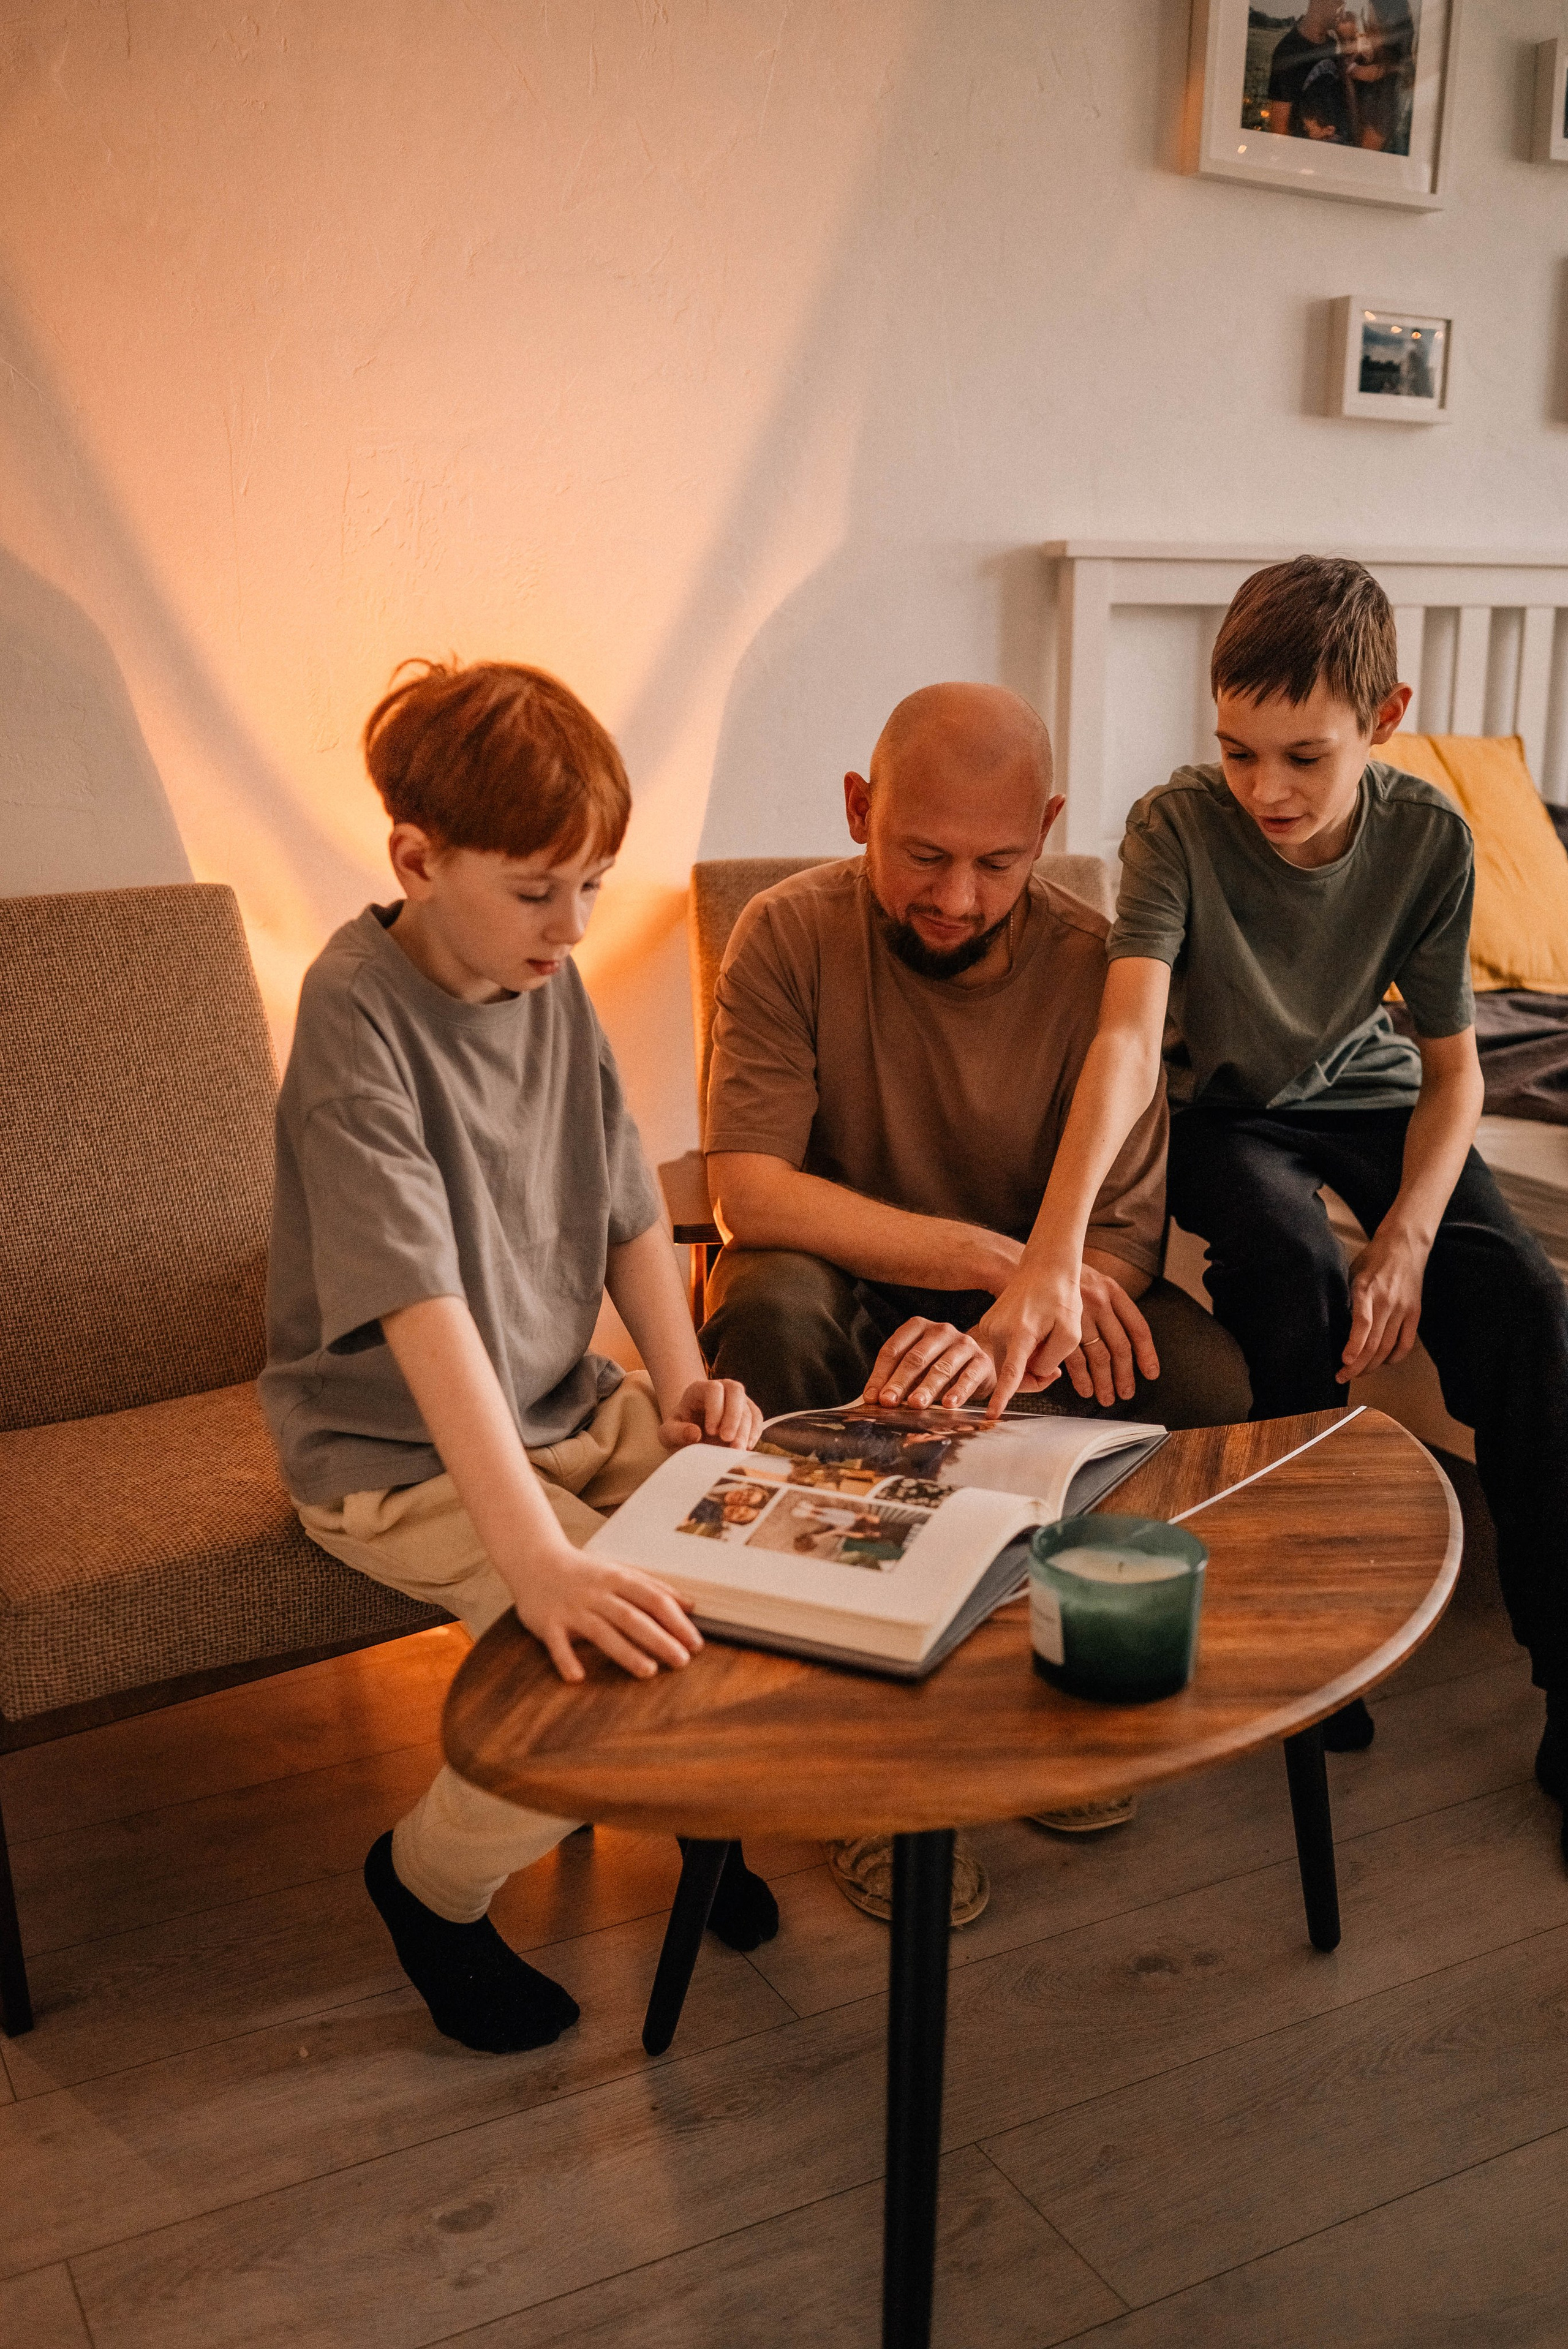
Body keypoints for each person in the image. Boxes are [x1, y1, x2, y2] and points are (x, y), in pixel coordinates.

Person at [974, 557, 1568, 1857]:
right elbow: (1128, 1046)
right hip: (1219, 1108)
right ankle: (1304, 1639)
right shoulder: (1173, 826)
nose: (1265, 791)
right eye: (1237, 752)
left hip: (1367, 1089)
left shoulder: (1427, 839)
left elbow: (1453, 1070)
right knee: (1290, 1277)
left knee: (1524, 1306)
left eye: (1301, 755)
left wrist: (1407, 1239)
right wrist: (1052, 1249)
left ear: (1384, 715)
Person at [260, 658, 774, 2054]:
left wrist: (679, 1385)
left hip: (565, 1399)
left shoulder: (542, 978)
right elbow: (420, 1306)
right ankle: (425, 1882)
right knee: (588, 1660)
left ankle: (695, 1803)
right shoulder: (355, 1012)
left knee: (758, 1541)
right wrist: (540, 1558)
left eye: (591, 884)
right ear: (415, 858)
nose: (572, 922)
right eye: (538, 886)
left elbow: (621, 1205)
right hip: (398, 1444)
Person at [699, 681, 1250, 1914]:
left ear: (1047, 827)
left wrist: (1026, 1315)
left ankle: (1044, 1691)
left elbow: (1114, 1246)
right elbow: (751, 1195)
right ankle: (862, 1759)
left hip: (1029, 1309)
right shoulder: (783, 936)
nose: (954, 896)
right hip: (848, 1294)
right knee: (769, 1307)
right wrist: (987, 1264)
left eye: (996, 862)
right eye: (923, 855)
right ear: (857, 809)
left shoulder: (1101, 968)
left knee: (1201, 1375)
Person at [1263, 1, 1351, 137]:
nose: (1343, 13)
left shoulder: (1333, 45)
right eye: (1340, 3)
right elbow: (1279, 128)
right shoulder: (1289, 52)